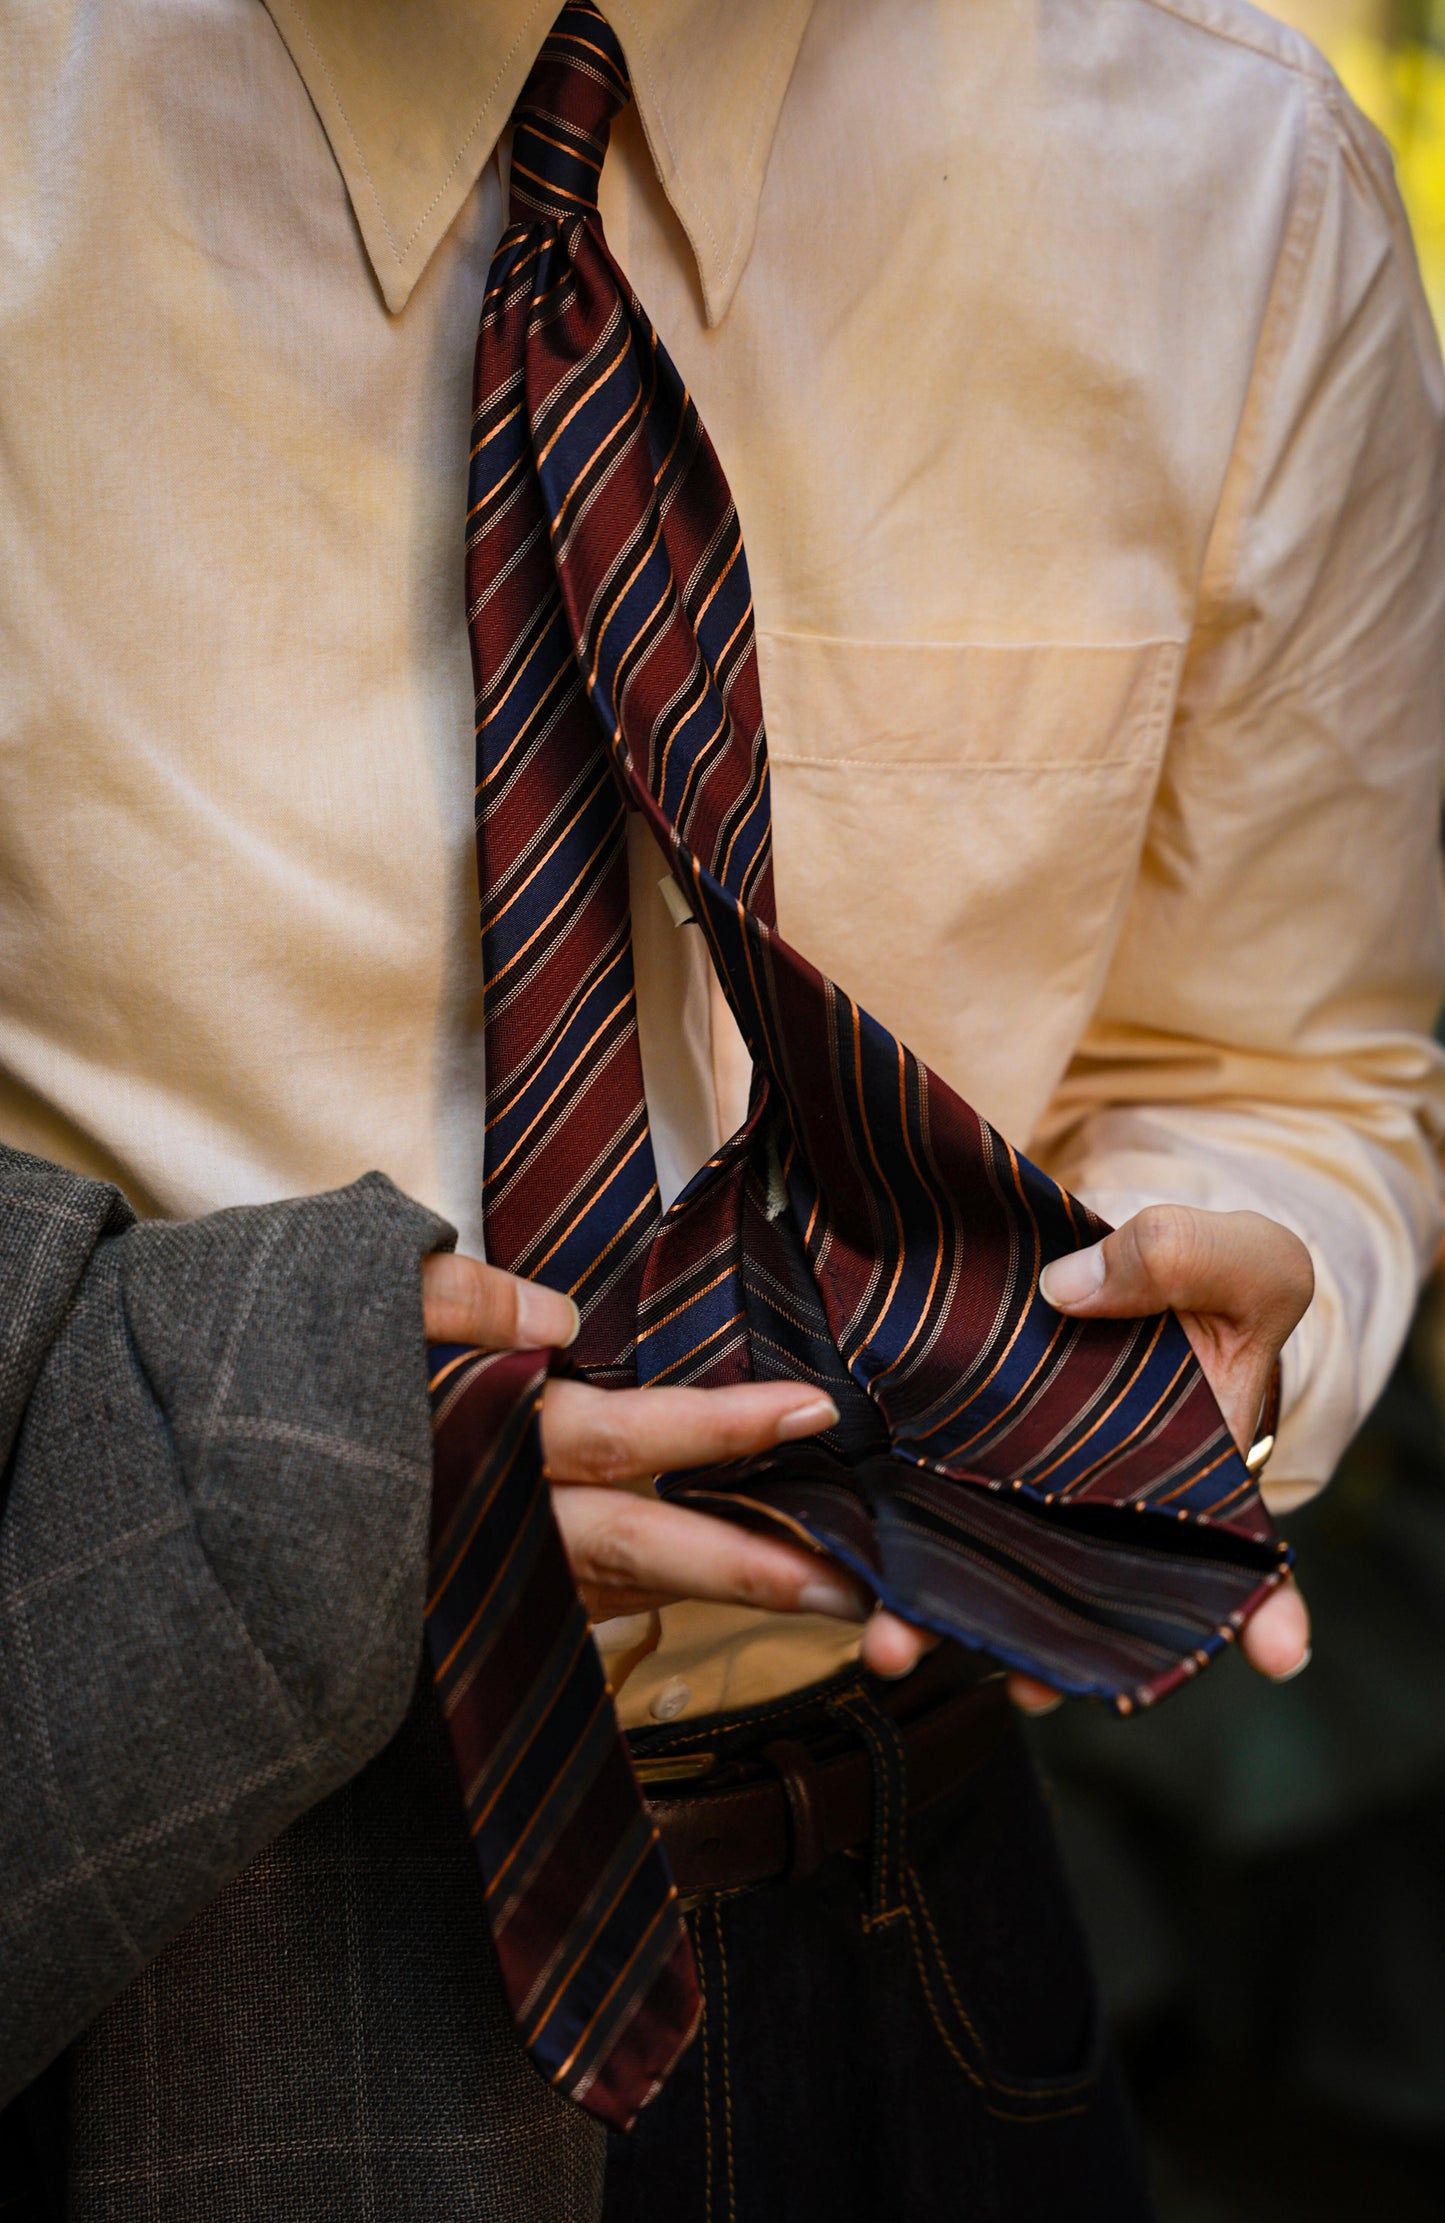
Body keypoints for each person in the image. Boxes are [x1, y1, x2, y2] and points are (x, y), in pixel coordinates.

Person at [0, 0, 1439, 2216]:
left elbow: (1293, 1055)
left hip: (909, 1925)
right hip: (188, 1935)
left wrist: (1254, 1259)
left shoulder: (1228, 179)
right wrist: (298, 1448)